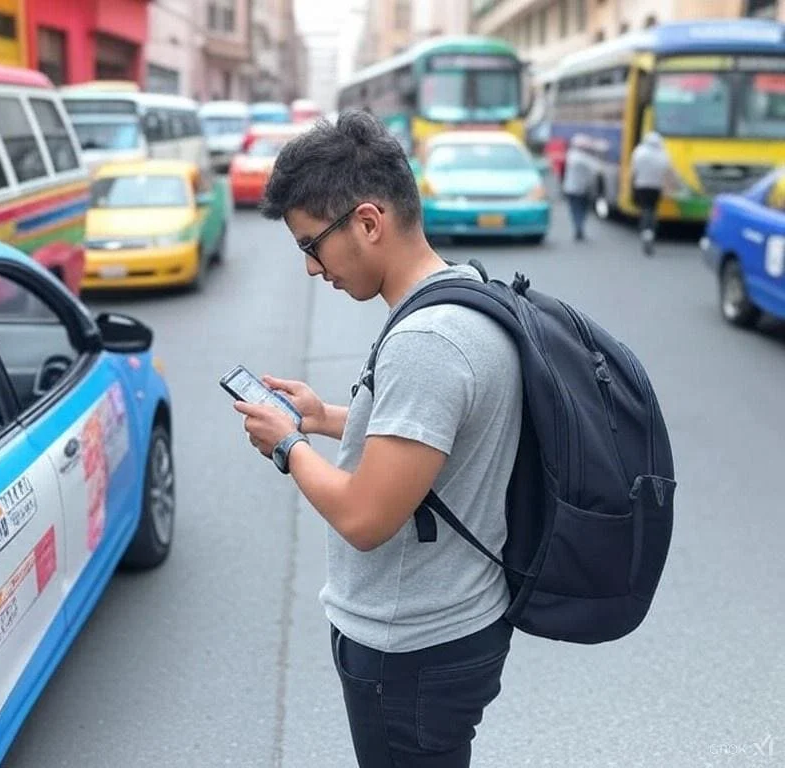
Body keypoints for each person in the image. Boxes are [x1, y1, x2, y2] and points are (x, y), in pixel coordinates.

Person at [232, 110, 522, 768]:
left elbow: (366, 516)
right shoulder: (463, 290)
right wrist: (323, 416)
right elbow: (432, 436)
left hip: (412, 648)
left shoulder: (427, 342)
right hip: (453, 621)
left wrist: (286, 444)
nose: (311, 269)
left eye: (312, 245)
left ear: (368, 222)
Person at [630, 131, 672, 256]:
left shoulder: (639, 152)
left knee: (645, 209)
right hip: (655, 188)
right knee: (652, 209)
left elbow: (634, 171)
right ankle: (650, 232)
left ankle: (645, 231)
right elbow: (667, 172)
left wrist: (632, 185)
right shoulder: (663, 154)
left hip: (641, 186)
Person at [562, 134, 593, 241]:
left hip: (571, 188)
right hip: (583, 189)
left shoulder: (571, 156)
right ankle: (580, 226)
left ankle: (578, 226)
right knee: (582, 209)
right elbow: (592, 174)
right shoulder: (586, 160)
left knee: (575, 209)